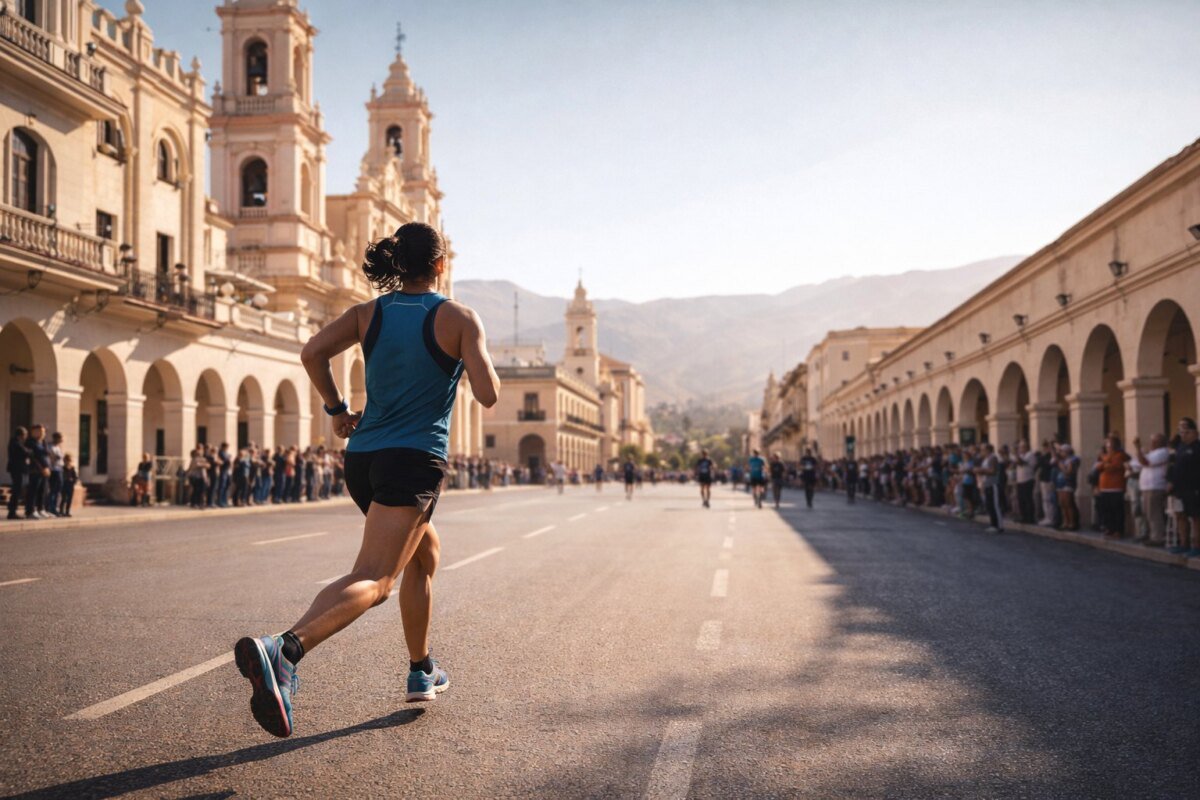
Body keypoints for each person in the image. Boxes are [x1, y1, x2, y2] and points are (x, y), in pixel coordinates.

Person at [234, 222, 500, 738]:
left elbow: (312, 352)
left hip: (363, 458)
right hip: (413, 460)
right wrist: (473, 349)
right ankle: (285, 649)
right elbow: (487, 395)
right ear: (440, 265)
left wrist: (336, 409)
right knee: (377, 579)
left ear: (397, 265)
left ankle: (421, 669)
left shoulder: (367, 313)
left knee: (424, 554)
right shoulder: (459, 317)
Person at [1133, 433, 1169, 546]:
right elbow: (1138, 463)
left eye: (1154, 441)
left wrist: (1138, 448)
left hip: (1155, 486)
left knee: (1154, 513)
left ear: (1160, 442)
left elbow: (1145, 462)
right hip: (1147, 486)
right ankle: (1151, 534)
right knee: (1148, 513)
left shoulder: (1162, 452)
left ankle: (1157, 537)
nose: (1151, 443)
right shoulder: (1152, 452)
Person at [1171, 417, 1200, 557]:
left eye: (1186, 432)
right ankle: (1184, 543)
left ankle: (1197, 545)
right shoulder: (1180, 447)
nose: (1183, 435)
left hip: (1193, 488)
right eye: (1181, 432)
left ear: (1195, 432)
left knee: (1196, 517)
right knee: (1180, 515)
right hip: (1179, 489)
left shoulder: (1197, 448)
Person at [1094, 435, 1130, 539]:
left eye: (1109, 444)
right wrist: (1105, 461)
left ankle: (1118, 531)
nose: (1107, 446)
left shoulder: (1120, 455)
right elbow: (1098, 467)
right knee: (1107, 510)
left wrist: (1104, 460)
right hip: (1104, 487)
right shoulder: (1105, 456)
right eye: (1107, 444)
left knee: (1117, 511)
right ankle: (1110, 529)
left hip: (1116, 487)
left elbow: (1113, 467)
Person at [24, 424, 50, 520]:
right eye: (40, 431)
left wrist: (47, 467)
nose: (43, 434)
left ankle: (41, 509)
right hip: (35, 470)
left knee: (42, 490)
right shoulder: (30, 443)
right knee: (33, 490)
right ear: (34, 432)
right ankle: (30, 511)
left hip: (45, 470)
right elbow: (34, 457)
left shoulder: (43, 442)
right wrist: (43, 468)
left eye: (43, 432)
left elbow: (46, 455)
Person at [976, 443, 1004, 533]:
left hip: (993, 484)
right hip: (987, 484)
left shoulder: (993, 458)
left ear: (988, 450)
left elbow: (993, 471)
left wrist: (981, 470)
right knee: (989, 505)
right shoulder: (985, 459)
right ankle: (993, 524)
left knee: (995, 505)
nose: (981, 452)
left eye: (983, 450)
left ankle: (999, 526)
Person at [6, 426, 28, 520]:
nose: (26, 437)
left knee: (17, 489)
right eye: (25, 435)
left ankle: (12, 510)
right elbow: (26, 452)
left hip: (17, 469)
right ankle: (12, 511)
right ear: (21, 435)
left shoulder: (16, 442)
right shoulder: (15, 443)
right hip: (16, 469)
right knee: (16, 489)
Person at [45, 432, 64, 517]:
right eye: (60, 438)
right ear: (56, 438)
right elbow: (50, 457)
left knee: (58, 489)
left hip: (59, 469)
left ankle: (55, 507)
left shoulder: (58, 447)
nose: (61, 440)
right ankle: (50, 507)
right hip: (53, 470)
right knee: (53, 489)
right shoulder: (50, 446)